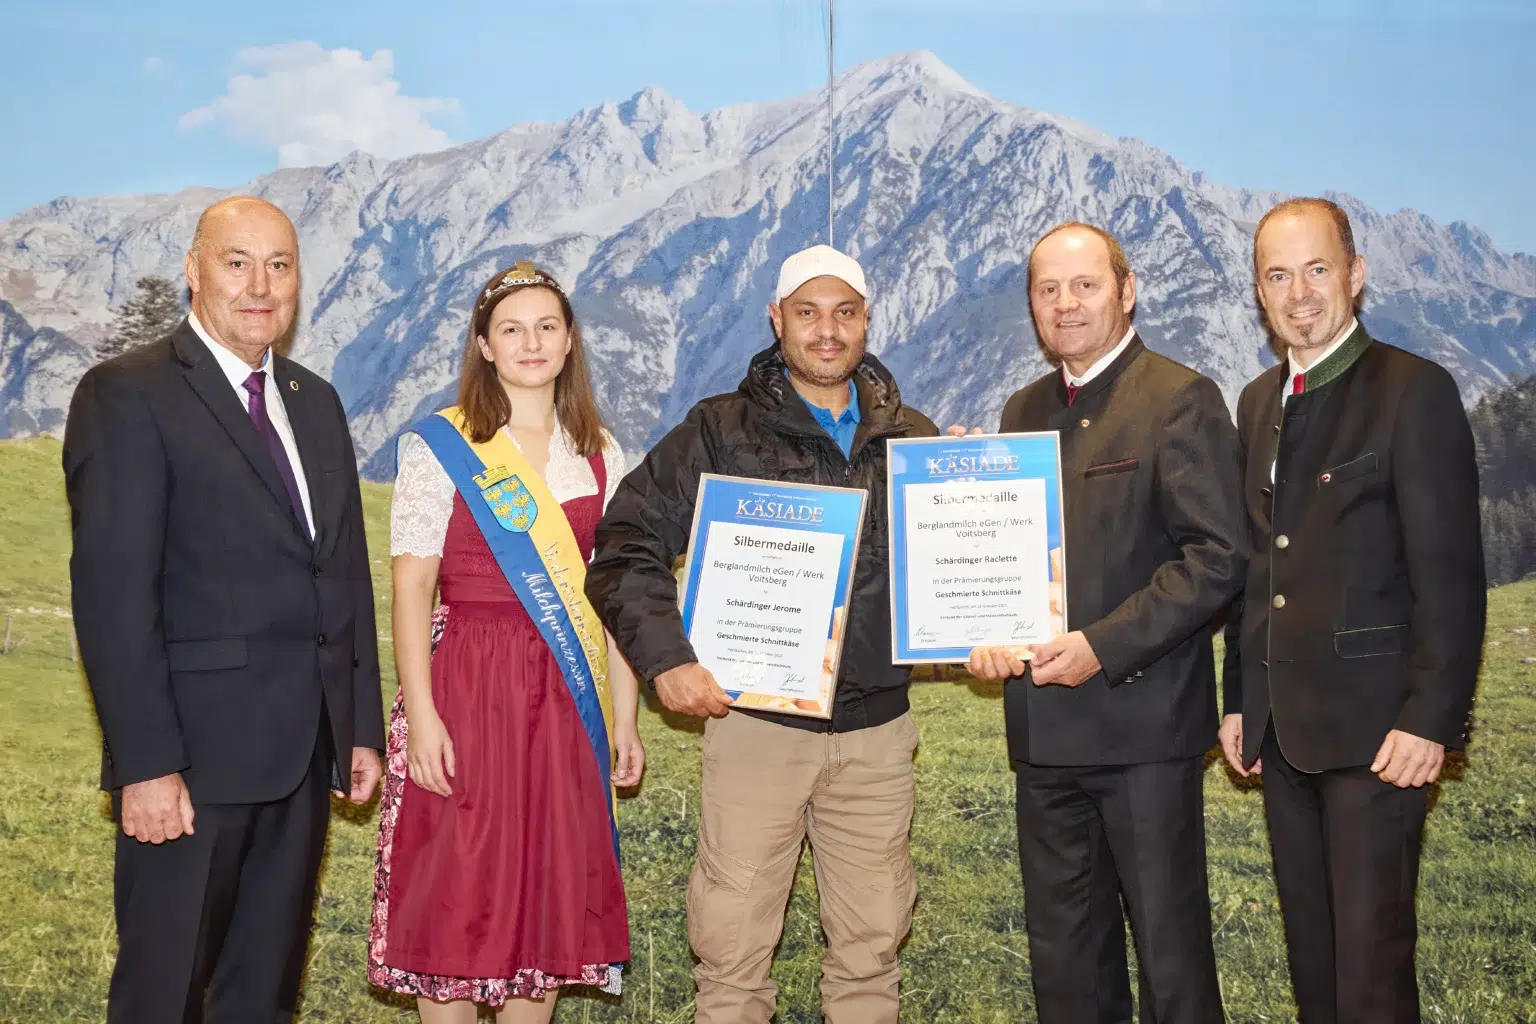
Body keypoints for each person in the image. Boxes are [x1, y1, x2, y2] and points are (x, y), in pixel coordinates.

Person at [586, 244, 937, 1024]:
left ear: (867, 321)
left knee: (873, 953)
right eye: (807, 313)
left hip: (877, 735)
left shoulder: (915, 437)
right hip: (755, 728)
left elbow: (942, 576)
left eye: (844, 313)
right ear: (777, 319)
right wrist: (666, 659)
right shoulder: (717, 429)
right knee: (733, 955)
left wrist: (982, 603)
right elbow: (624, 547)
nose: (826, 331)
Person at [62, 195, 385, 1023]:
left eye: (279, 265)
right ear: (194, 270)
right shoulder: (126, 394)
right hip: (188, 766)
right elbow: (112, 595)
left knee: (263, 994)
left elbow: (342, 575)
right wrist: (144, 763)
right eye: (237, 262)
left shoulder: (316, 402)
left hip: (304, 757)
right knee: (163, 994)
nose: (260, 285)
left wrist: (357, 726)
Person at [966, 222, 1244, 1023]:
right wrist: (982, 630)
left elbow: (1217, 559)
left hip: (1143, 734)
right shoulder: (1022, 409)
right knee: (1066, 968)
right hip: (1044, 737)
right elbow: (1005, 564)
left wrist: (1102, 646)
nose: (1066, 304)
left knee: (1171, 963)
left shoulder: (1179, 397)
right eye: (1047, 290)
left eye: (1084, 285)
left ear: (1127, 291)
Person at [1219, 198, 1485, 1023]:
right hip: (1282, 735)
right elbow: (1260, 565)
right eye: (1278, 275)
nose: (1299, 293)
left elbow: (1451, 575)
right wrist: (1238, 701)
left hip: (1381, 739)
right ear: (1260, 295)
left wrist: (1432, 720)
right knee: (1315, 969)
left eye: (1317, 269)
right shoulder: (1258, 400)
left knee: (1370, 976)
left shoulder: (1415, 390)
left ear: (1356, 275)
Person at [368, 261, 644, 1024]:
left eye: (547, 327)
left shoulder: (599, 454)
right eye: (512, 329)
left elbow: (613, 596)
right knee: (455, 890)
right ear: (484, 346)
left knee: (543, 893)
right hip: (464, 686)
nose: (531, 343)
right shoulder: (439, 445)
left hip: (562, 696)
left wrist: (623, 718)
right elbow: (413, 589)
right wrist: (421, 718)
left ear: (569, 341)